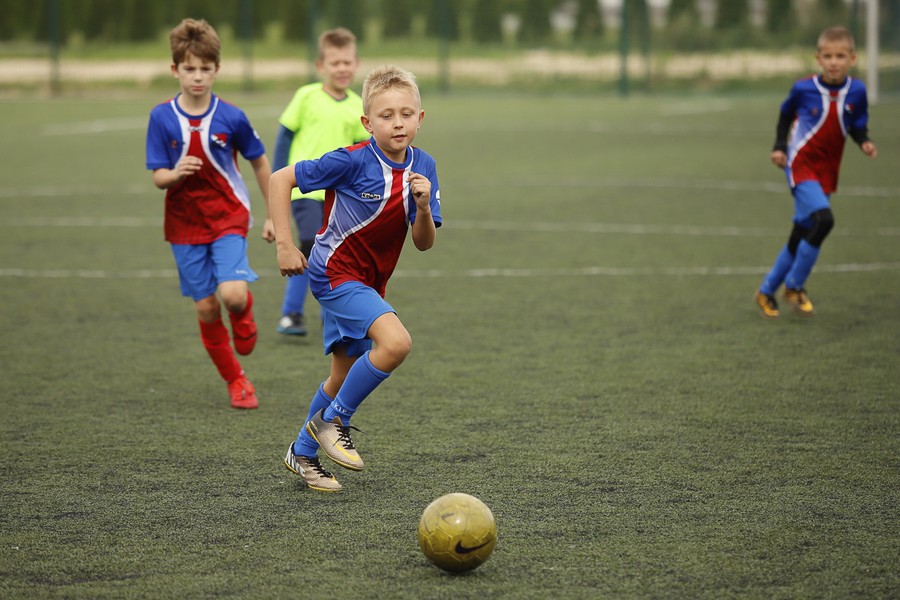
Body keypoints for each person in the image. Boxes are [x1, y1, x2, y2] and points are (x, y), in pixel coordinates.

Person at [270, 65, 442, 492]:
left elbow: (424, 243)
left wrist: (421, 207)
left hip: (370, 283)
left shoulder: (425, 167)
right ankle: (333, 422)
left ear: (421, 118)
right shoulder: (350, 160)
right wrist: (286, 245)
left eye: (406, 113)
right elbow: (280, 179)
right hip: (333, 274)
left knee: (341, 375)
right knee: (397, 343)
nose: (397, 122)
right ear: (368, 122)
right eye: (386, 115)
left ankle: (302, 453)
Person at [145, 18, 271, 409]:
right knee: (205, 306)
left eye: (205, 69)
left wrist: (272, 216)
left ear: (217, 70)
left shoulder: (232, 117)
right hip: (183, 224)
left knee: (232, 295)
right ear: (175, 70)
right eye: (189, 69)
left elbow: (260, 163)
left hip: (228, 216)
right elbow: (158, 178)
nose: (197, 77)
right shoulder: (161, 117)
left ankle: (244, 312)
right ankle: (236, 381)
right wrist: (175, 173)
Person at [755, 26, 877, 318]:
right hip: (800, 164)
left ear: (852, 59)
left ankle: (766, 290)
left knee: (802, 232)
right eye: (828, 56)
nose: (834, 61)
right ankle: (794, 286)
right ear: (818, 58)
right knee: (824, 221)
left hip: (827, 169)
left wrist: (864, 142)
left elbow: (856, 124)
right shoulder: (803, 89)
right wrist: (779, 146)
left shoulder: (857, 91)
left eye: (840, 56)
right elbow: (785, 115)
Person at [272, 28, 369, 337]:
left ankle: (331, 314)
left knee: (330, 252)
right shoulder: (306, 96)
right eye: (335, 62)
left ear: (356, 64)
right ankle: (291, 313)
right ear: (321, 66)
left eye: (347, 62)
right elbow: (283, 139)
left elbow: (362, 155)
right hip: (303, 190)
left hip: (338, 197)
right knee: (311, 244)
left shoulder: (359, 107)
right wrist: (279, 189)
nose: (341, 68)